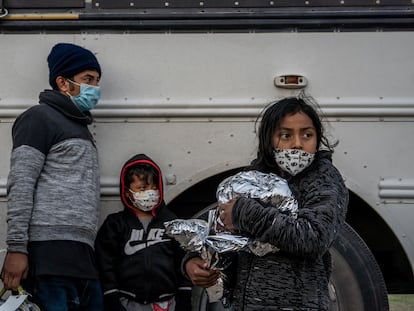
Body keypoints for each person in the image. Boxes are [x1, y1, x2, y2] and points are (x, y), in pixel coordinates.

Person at [185, 97, 349, 310]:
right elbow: (221, 229)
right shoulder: (251, 178)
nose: (297, 143)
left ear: (317, 139)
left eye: (307, 134)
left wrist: (246, 214)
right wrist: (193, 261)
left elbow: (314, 238)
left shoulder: (324, 180)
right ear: (268, 140)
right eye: (286, 135)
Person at [1, 43, 104, 310]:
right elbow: (21, 184)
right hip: (47, 256)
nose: (95, 88)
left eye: (96, 81)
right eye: (87, 80)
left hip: (81, 257)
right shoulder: (38, 118)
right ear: (63, 82)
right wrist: (17, 249)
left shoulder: (80, 127)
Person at [95, 154, 189, 311]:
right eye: (142, 188)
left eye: (154, 188)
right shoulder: (115, 224)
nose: (150, 193)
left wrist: (185, 296)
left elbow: (184, 260)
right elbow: (105, 263)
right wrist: (111, 296)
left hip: (166, 303)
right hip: (128, 302)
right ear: (127, 192)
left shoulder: (171, 222)